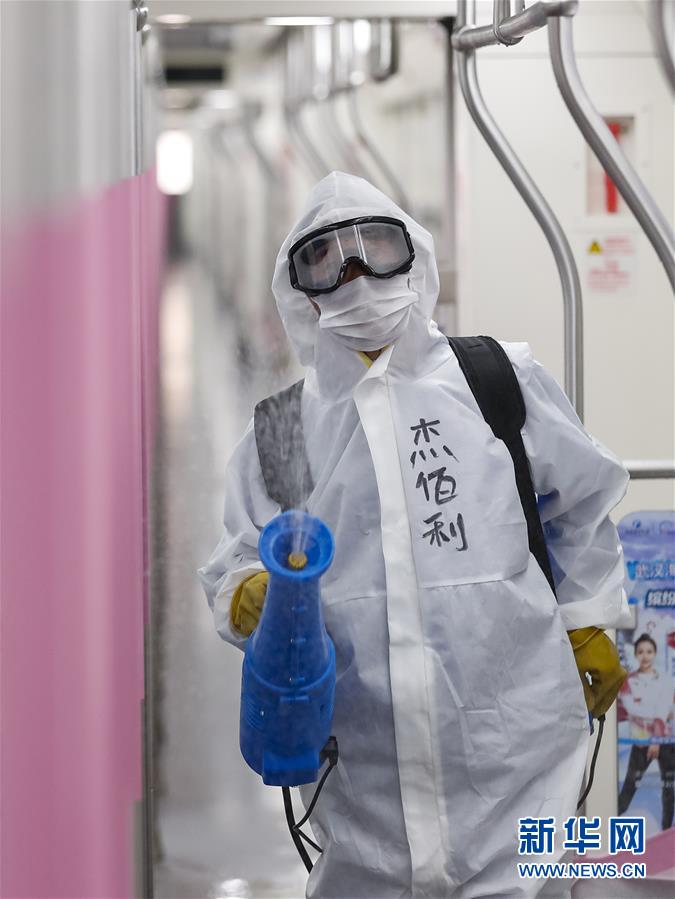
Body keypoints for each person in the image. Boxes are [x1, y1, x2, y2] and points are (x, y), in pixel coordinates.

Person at [199, 172, 630, 898]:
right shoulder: (282, 429)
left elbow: (581, 502)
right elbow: (237, 556)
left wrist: (588, 616)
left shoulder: (496, 379)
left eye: (376, 246)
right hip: (364, 770)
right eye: (325, 259)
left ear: (414, 256)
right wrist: (249, 594)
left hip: (516, 745)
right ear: (301, 290)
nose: (356, 274)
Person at [618, 633, 675, 830]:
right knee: (629, 786)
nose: (645, 656)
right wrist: (655, 712)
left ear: (654, 653)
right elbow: (632, 708)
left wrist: (656, 737)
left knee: (669, 788)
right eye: (641, 651)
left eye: (649, 651)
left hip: (666, 742)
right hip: (641, 741)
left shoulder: (665, 680)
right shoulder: (628, 681)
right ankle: (611, 823)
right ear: (635, 654)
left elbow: (665, 708)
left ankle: (667, 831)